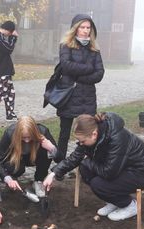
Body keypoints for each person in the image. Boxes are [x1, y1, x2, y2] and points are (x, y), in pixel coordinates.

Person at [43, 112, 144, 221]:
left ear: (94, 134)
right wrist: (53, 174)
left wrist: (87, 162)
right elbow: (75, 157)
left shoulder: (117, 138)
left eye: (82, 141)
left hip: (140, 171)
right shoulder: (91, 136)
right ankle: (114, 201)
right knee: (85, 170)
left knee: (98, 184)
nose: (80, 144)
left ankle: (129, 205)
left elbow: (109, 172)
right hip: (120, 168)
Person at [54, 14, 104, 162]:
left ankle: (87, 163)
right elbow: (66, 66)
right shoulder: (66, 45)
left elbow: (99, 73)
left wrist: (80, 77)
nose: (85, 30)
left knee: (88, 131)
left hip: (87, 96)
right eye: (82, 27)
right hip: (69, 95)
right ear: (75, 28)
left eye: (88, 27)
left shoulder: (94, 49)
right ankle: (60, 163)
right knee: (64, 133)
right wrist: (89, 68)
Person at [0, 116, 57, 197]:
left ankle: (39, 181)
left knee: (46, 153)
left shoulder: (43, 131)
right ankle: (13, 177)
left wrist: (52, 148)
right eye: (23, 137)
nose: (27, 140)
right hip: (17, 159)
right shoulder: (9, 133)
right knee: (15, 168)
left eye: (30, 137)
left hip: (35, 158)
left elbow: (60, 158)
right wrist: (7, 178)